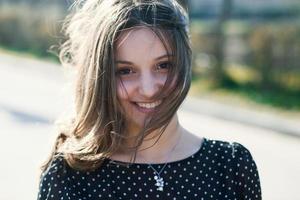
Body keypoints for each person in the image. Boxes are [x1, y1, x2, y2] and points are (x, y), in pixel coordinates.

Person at [37, 0, 262, 199]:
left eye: (163, 66)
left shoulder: (231, 165)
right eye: (125, 71)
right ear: (102, 77)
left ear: (184, 64)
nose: (148, 89)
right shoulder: (68, 177)